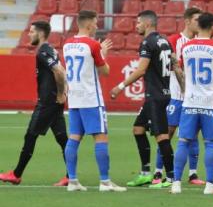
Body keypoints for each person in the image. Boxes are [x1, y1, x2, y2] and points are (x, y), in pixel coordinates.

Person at [110, 10, 176, 189]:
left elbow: (140, 70)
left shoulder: (148, 42)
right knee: (138, 129)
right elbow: (173, 63)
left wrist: (120, 87)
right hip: (159, 93)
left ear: (147, 24)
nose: (136, 25)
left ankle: (171, 178)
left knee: (161, 136)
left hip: (155, 96)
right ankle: (146, 173)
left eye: (138, 22)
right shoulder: (165, 41)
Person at [63, 10, 125, 192]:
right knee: (101, 137)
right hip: (91, 97)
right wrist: (103, 52)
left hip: (74, 98)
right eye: (96, 23)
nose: (97, 26)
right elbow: (104, 71)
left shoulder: (67, 44)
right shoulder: (92, 45)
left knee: (74, 137)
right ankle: (105, 182)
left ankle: (72, 180)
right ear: (89, 24)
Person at [0, 21, 69, 186]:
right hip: (55, 102)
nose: (29, 34)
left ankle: (16, 174)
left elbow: (59, 72)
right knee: (62, 139)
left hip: (47, 103)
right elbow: (63, 71)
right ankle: (70, 175)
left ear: (40, 33)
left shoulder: (43, 53)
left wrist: (61, 93)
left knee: (31, 135)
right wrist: (64, 93)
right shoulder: (52, 50)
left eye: (32, 32)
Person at [171, 12, 213, 195]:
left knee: (183, 142)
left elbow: (180, 68)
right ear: (212, 26)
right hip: (210, 103)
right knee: (210, 143)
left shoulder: (187, 47)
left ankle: (176, 184)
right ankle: (210, 185)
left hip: (190, 101)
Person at [154, 6, 204, 186]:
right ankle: (158, 171)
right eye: (197, 19)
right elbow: (172, 68)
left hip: (194, 97)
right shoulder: (174, 40)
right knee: (168, 132)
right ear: (188, 21)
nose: (200, 23)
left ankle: (193, 174)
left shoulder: (202, 42)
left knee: (192, 134)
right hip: (176, 95)